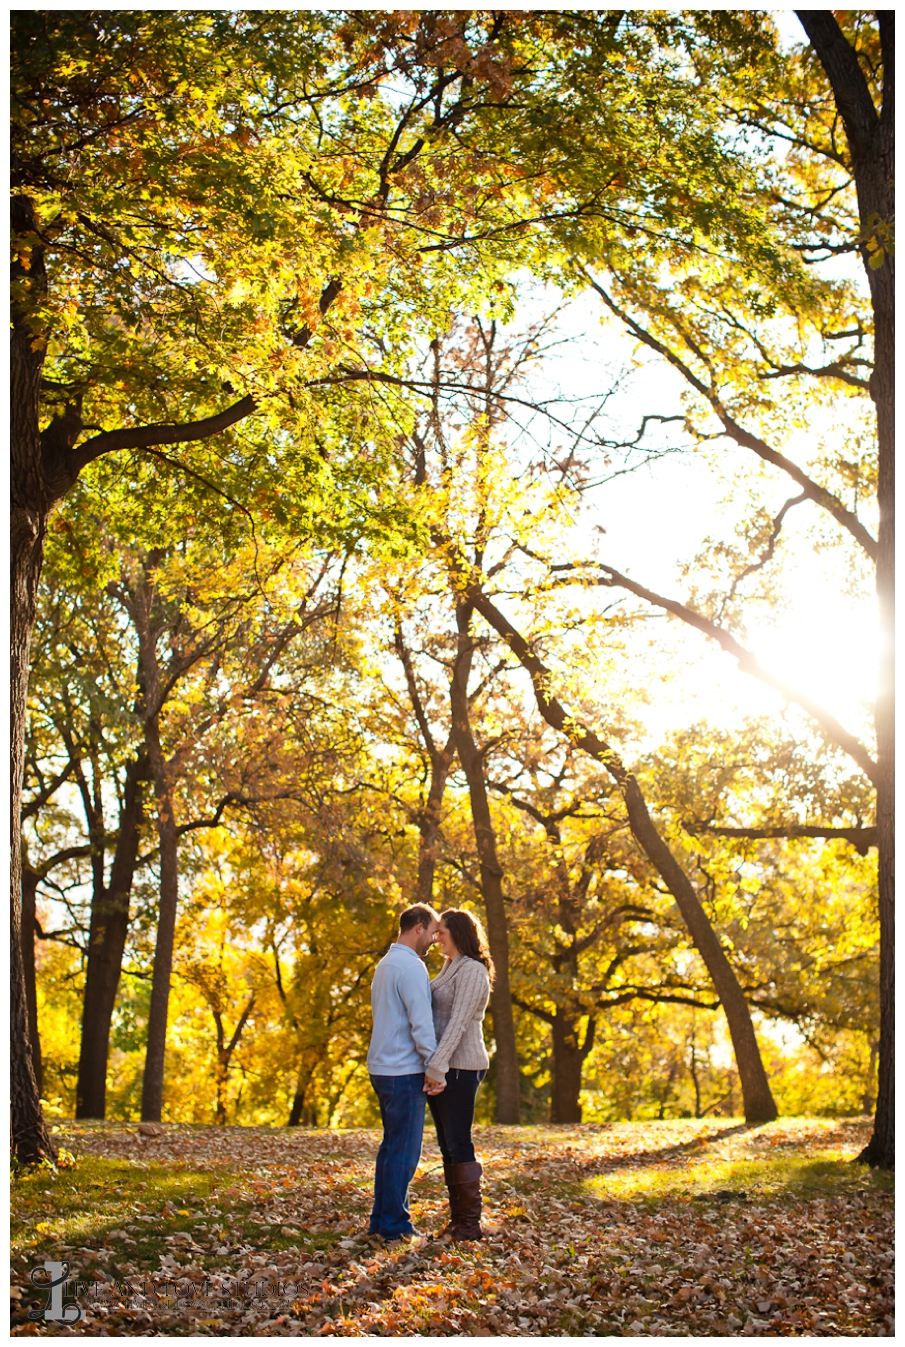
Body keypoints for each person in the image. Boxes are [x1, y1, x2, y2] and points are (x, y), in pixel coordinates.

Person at [367, 904, 446, 1242]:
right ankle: (394, 1227)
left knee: (391, 1148)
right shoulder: (411, 967)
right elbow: (421, 1024)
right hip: (402, 1071)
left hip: (382, 1068)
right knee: (404, 1150)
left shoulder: (386, 964)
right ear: (417, 927)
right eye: (431, 931)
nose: (433, 939)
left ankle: (381, 1222)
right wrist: (434, 1068)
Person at [424, 908, 493, 1240]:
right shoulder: (451, 966)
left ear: (459, 933)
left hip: (461, 1067)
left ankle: (469, 1223)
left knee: (458, 1142)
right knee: (447, 1145)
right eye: (436, 932)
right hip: (445, 1065)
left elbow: (459, 1023)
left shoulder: (473, 970)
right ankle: (458, 1220)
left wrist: (438, 1067)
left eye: (442, 932)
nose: (436, 937)